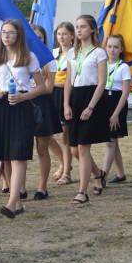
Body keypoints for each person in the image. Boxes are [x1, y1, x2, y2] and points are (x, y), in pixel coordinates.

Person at [0, 19, 48, 218]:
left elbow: (41, 86)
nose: (6, 35)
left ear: (18, 35)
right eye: (3, 32)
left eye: (10, 32)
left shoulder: (29, 57)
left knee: (18, 154)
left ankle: (13, 202)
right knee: (5, 155)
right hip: (1, 106)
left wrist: (24, 96)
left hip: (21, 106)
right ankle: (18, 202)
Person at [63, 14, 109, 205]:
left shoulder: (99, 53)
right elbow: (68, 80)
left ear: (92, 29)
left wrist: (91, 106)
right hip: (75, 98)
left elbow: (102, 82)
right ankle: (98, 174)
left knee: (83, 147)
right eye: (77, 26)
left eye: (83, 26)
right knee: (74, 149)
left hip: (91, 98)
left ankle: (82, 192)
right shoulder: (72, 54)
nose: (79, 30)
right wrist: (66, 103)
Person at [31, 23, 63, 199]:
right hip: (22, 105)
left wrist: (29, 91)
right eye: (33, 36)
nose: (36, 40)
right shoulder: (20, 57)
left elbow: (49, 88)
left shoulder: (49, 59)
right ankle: (19, 188)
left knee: (42, 148)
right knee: (20, 150)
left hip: (42, 104)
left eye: (40, 37)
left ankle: (42, 188)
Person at [102, 35, 131, 184]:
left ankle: (103, 176)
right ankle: (120, 174)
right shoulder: (103, 64)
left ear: (121, 49)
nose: (112, 50)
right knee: (112, 141)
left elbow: (125, 92)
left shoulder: (123, 67)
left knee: (110, 141)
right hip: (105, 101)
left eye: (115, 47)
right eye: (109, 46)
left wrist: (115, 114)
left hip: (117, 103)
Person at [49, 22, 75, 185]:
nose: (61, 37)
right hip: (51, 94)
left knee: (65, 135)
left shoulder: (74, 54)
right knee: (47, 134)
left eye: (65, 34)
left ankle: (67, 172)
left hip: (66, 94)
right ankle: (64, 163)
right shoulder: (53, 53)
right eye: (59, 34)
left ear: (72, 36)